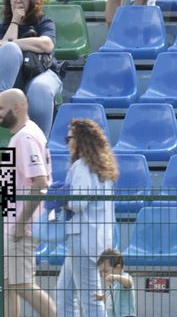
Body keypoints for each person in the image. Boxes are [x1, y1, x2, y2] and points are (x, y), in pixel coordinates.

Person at [0, 88, 56, 317]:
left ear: (17, 108)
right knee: (8, 284)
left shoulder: (26, 137)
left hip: (21, 226)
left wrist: (20, 223)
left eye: (1, 109)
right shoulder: (22, 135)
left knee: (22, 284)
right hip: (11, 224)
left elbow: (40, 183)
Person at [56, 118, 118, 317]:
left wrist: (59, 200)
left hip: (82, 239)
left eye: (70, 138)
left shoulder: (82, 166)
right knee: (64, 293)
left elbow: (78, 203)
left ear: (80, 140)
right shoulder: (102, 168)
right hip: (95, 239)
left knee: (90, 300)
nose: (68, 142)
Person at [0, 0, 62, 137]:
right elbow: (1, 54)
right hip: (12, 78)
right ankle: (3, 99)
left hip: (42, 71)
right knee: (9, 49)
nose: (18, 0)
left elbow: (46, 45)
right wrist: (15, 22)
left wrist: (10, 43)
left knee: (40, 89)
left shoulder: (43, 22)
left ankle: (39, 143)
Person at [93, 248, 136, 317]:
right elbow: (111, 293)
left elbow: (129, 283)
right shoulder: (114, 283)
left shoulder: (124, 277)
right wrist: (102, 296)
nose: (103, 275)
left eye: (105, 271)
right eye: (102, 272)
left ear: (118, 268)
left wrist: (115, 276)